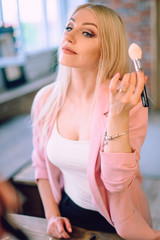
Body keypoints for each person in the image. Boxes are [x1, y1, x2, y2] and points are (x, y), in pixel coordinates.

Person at [31, 3, 160, 240]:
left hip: (121, 222)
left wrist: (118, 116)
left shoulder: (126, 102)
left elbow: (117, 182)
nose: (68, 35)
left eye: (87, 32)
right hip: (68, 216)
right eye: (69, 26)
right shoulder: (45, 100)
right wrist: (51, 216)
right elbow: (40, 166)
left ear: (107, 48)